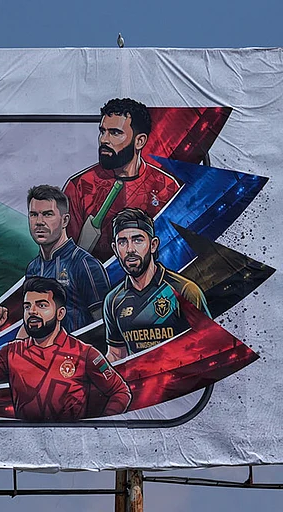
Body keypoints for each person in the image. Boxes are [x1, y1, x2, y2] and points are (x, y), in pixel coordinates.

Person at [0, 276, 131, 421]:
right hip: (26, 447)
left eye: (41, 305)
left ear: (60, 313)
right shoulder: (12, 352)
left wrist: (96, 429)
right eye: (27, 306)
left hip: (71, 448)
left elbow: (120, 392)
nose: (32, 311)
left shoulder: (85, 353)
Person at [63, 98, 181, 262]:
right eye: (102, 131)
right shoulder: (79, 186)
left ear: (139, 141)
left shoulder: (167, 188)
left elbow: (175, 251)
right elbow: (65, 258)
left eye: (115, 133)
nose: (104, 139)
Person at [104, 208, 211, 362]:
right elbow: (116, 355)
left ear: (153, 245)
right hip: (138, 377)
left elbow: (209, 347)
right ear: (115, 249)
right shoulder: (113, 300)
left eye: (138, 240)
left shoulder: (184, 290)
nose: (130, 249)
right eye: (122, 242)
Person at [24, 185, 109, 333]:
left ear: (65, 220)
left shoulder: (85, 264)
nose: (39, 221)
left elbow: (104, 326)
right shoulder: (33, 268)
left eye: (48, 214)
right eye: (33, 214)